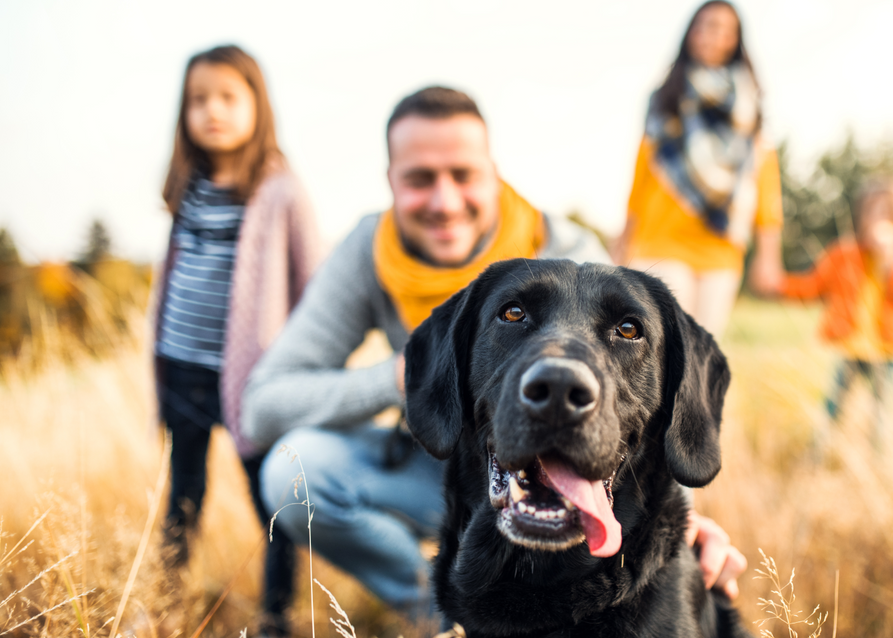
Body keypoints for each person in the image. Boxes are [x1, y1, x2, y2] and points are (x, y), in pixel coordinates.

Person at [242, 87, 748, 628]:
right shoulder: (369, 251)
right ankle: (444, 614)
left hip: (583, 463)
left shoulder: (571, 252)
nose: (444, 200)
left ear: (494, 173)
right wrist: (408, 377)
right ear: (390, 181)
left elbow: (637, 394)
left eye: (462, 175)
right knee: (294, 472)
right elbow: (263, 405)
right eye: (420, 179)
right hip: (449, 454)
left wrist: (684, 521)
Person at [152, 44, 322, 637]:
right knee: (183, 494)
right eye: (199, 100)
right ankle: (165, 600)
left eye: (228, 97)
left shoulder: (281, 189)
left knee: (272, 497)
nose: (212, 111)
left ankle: (277, 613)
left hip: (254, 380)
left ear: (257, 105)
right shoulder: (188, 186)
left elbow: (314, 287)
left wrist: (302, 369)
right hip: (182, 367)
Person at [618, 0, 784, 337]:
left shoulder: (749, 108)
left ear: (735, 41)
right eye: (707, 25)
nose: (714, 35)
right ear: (691, 33)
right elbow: (642, 176)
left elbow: (764, 181)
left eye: (725, 29)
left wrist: (769, 256)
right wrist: (622, 241)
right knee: (662, 343)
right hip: (660, 241)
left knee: (702, 352)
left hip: (720, 248)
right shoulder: (665, 98)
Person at [776, 175, 893, 452]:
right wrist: (778, 284)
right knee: (833, 405)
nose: (877, 219)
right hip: (851, 347)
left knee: (883, 412)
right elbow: (813, 285)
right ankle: (817, 454)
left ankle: (880, 461)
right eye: (871, 211)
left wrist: (892, 262)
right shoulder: (843, 254)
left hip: (890, 351)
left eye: (887, 212)